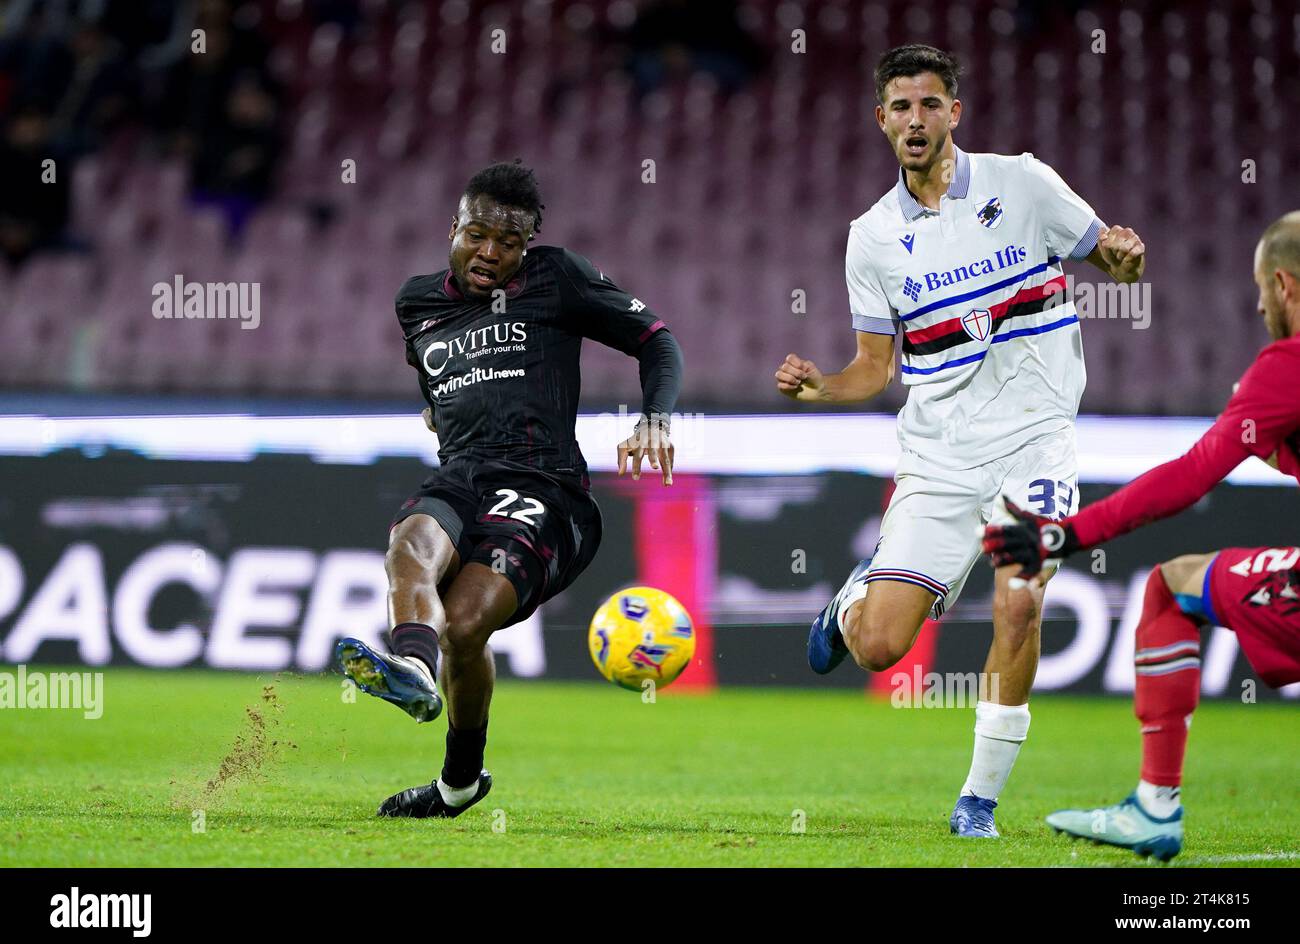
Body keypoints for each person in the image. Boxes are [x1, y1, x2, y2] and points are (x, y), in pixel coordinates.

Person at [775, 44, 1146, 837]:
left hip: (1038, 444)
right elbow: (873, 368)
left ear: (955, 112)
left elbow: (1111, 261)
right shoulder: (871, 238)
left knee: (1021, 605)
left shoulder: (1024, 183)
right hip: (940, 456)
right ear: (881, 120)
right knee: (879, 649)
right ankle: (852, 603)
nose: (916, 119)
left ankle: (976, 802)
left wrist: (1125, 258)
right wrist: (821, 387)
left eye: (930, 103)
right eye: (901, 107)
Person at [334, 161, 683, 818]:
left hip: (545, 487)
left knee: (465, 624)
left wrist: (656, 419)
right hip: (462, 474)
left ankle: (456, 776)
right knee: (411, 543)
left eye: (510, 241)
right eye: (477, 234)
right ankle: (413, 671)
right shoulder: (417, 302)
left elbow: (657, 342)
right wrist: (439, 411)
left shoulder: (559, 278)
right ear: (454, 228)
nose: (491, 252)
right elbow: (438, 383)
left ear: (528, 244)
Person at [982, 211, 1300, 860]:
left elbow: (1188, 478)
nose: (1258, 304)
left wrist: (1064, 535)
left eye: (1259, 289)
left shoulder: (1285, 366)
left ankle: (1155, 806)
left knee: (1168, 590)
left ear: (1284, 284)